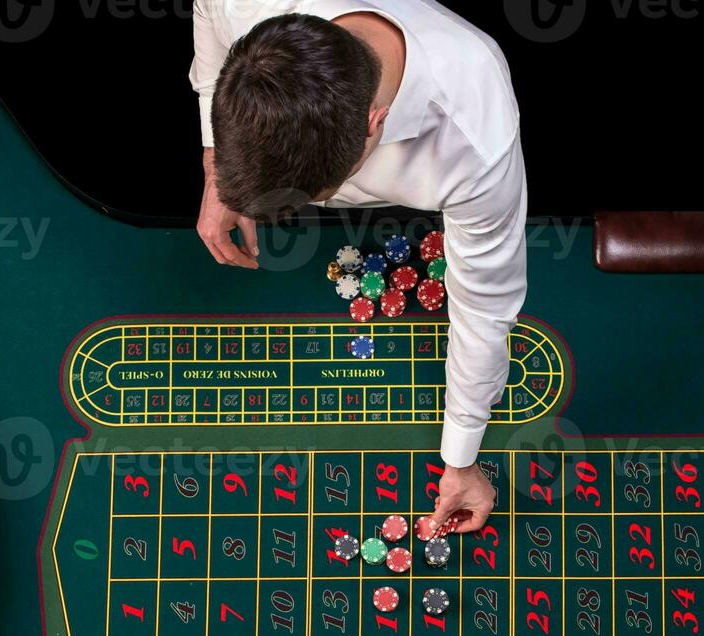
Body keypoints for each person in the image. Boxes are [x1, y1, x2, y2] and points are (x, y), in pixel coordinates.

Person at [191, 1, 528, 535]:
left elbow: (484, 308)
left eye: (313, 199)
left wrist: (461, 458)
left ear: (374, 122)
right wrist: (218, 164)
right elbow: (207, 8)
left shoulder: (475, 130)